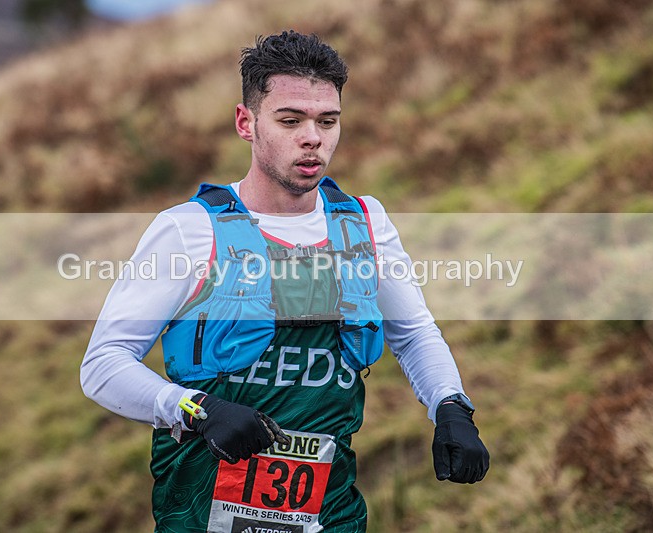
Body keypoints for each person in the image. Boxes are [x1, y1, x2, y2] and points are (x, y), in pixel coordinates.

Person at [81, 30, 489, 533]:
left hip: (330, 514)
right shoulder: (188, 230)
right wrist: (196, 409)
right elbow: (103, 365)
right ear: (246, 122)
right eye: (290, 120)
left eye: (327, 121)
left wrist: (450, 406)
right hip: (202, 513)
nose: (312, 137)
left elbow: (414, 333)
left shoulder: (364, 223)